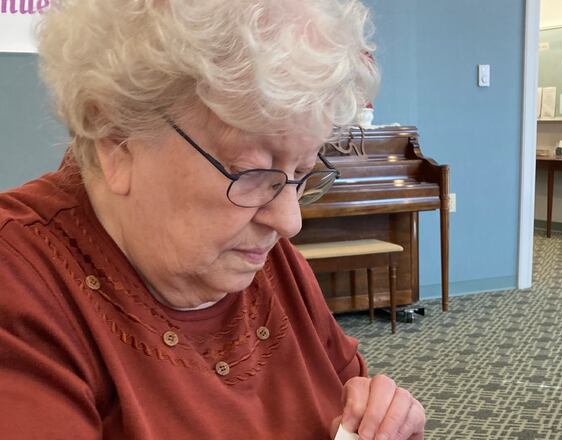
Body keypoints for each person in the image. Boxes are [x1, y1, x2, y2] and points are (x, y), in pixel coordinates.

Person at [0, 0, 425, 438]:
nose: (289, 221)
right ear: (117, 139)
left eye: (302, 173)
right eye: (250, 172)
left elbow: (346, 393)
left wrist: (381, 418)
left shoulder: (261, 259)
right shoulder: (20, 283)